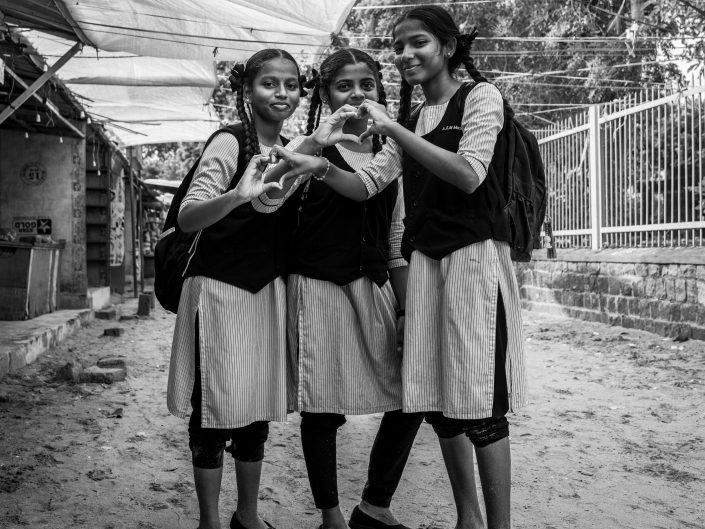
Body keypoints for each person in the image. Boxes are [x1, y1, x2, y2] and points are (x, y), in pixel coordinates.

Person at [269, 7, 528, 529]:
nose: (407, 55)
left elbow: (470, 174)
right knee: (440, 402)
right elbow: (367, 185)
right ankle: (468, 519)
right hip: (427, 266)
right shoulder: (408, 124)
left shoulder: (479, 97)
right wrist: (319, 164)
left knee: (482, 405)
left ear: (448, 47)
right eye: (400, 47)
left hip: (474, 262)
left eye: (419, 43)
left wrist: (391, 129)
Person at [254, 48, 424, 529]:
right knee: (322, 410)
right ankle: (331, 518)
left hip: (374, 287)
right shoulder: (308, 147)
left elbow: (395, 238)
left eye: (366, 84)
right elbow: (265, 200)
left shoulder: (392, 153)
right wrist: (311, 147)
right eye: (343, 86)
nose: (357, 94)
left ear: (380, 91)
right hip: (318, 289)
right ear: (326, 95)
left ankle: (374, 505)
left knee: (413, 395)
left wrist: (406, 310)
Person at [166, 48, 306, 529]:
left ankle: (247, 516)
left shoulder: (292, 149)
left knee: (255, 410)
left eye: (291, 84)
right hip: (218, 292)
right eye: (269, 83)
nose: (281, 93)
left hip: (266, 293)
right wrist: (237, 195)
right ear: (247, 90)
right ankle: (208, 521)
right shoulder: (229, 143)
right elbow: (189, 217)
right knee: (212, 411)